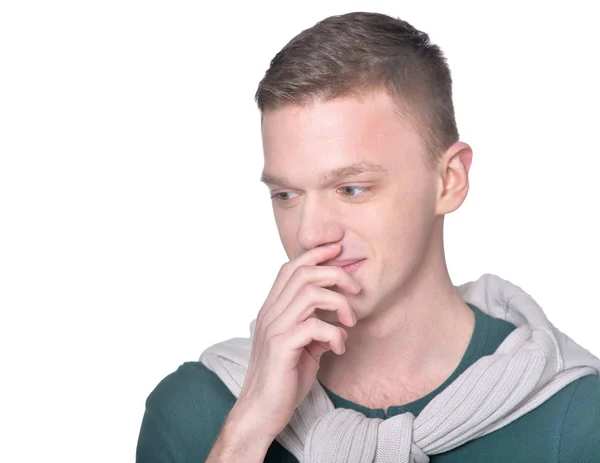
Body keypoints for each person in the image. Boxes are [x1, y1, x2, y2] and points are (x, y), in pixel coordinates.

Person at [136, 12, 600, 462]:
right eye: (286, 193)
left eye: (352, 188)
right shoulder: (197, 412)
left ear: (449, 180)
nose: (310, 232)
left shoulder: (578, 418)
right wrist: (246, 432)